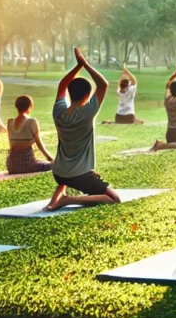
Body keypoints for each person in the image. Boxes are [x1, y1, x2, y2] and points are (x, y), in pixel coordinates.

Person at [47, 48, 121, 211]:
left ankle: (62, 187)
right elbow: (103, 84)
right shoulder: (87, 113)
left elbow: (62, 85)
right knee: (114, 199)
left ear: (69, 94)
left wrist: (77, 66)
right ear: (87, 96)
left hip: (59, 173)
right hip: (80, 175)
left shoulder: (58, 111)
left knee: (73, 180)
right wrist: (85, 64)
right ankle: (65, 200)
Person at [7, 94, 54, 174]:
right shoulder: (31, 122)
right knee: (53, 165)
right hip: (27, 164)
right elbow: (39, 144)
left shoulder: (10, 122)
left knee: (40, 162)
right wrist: (50, 159)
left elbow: (11, 145)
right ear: (30, 106)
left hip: (11, 166)